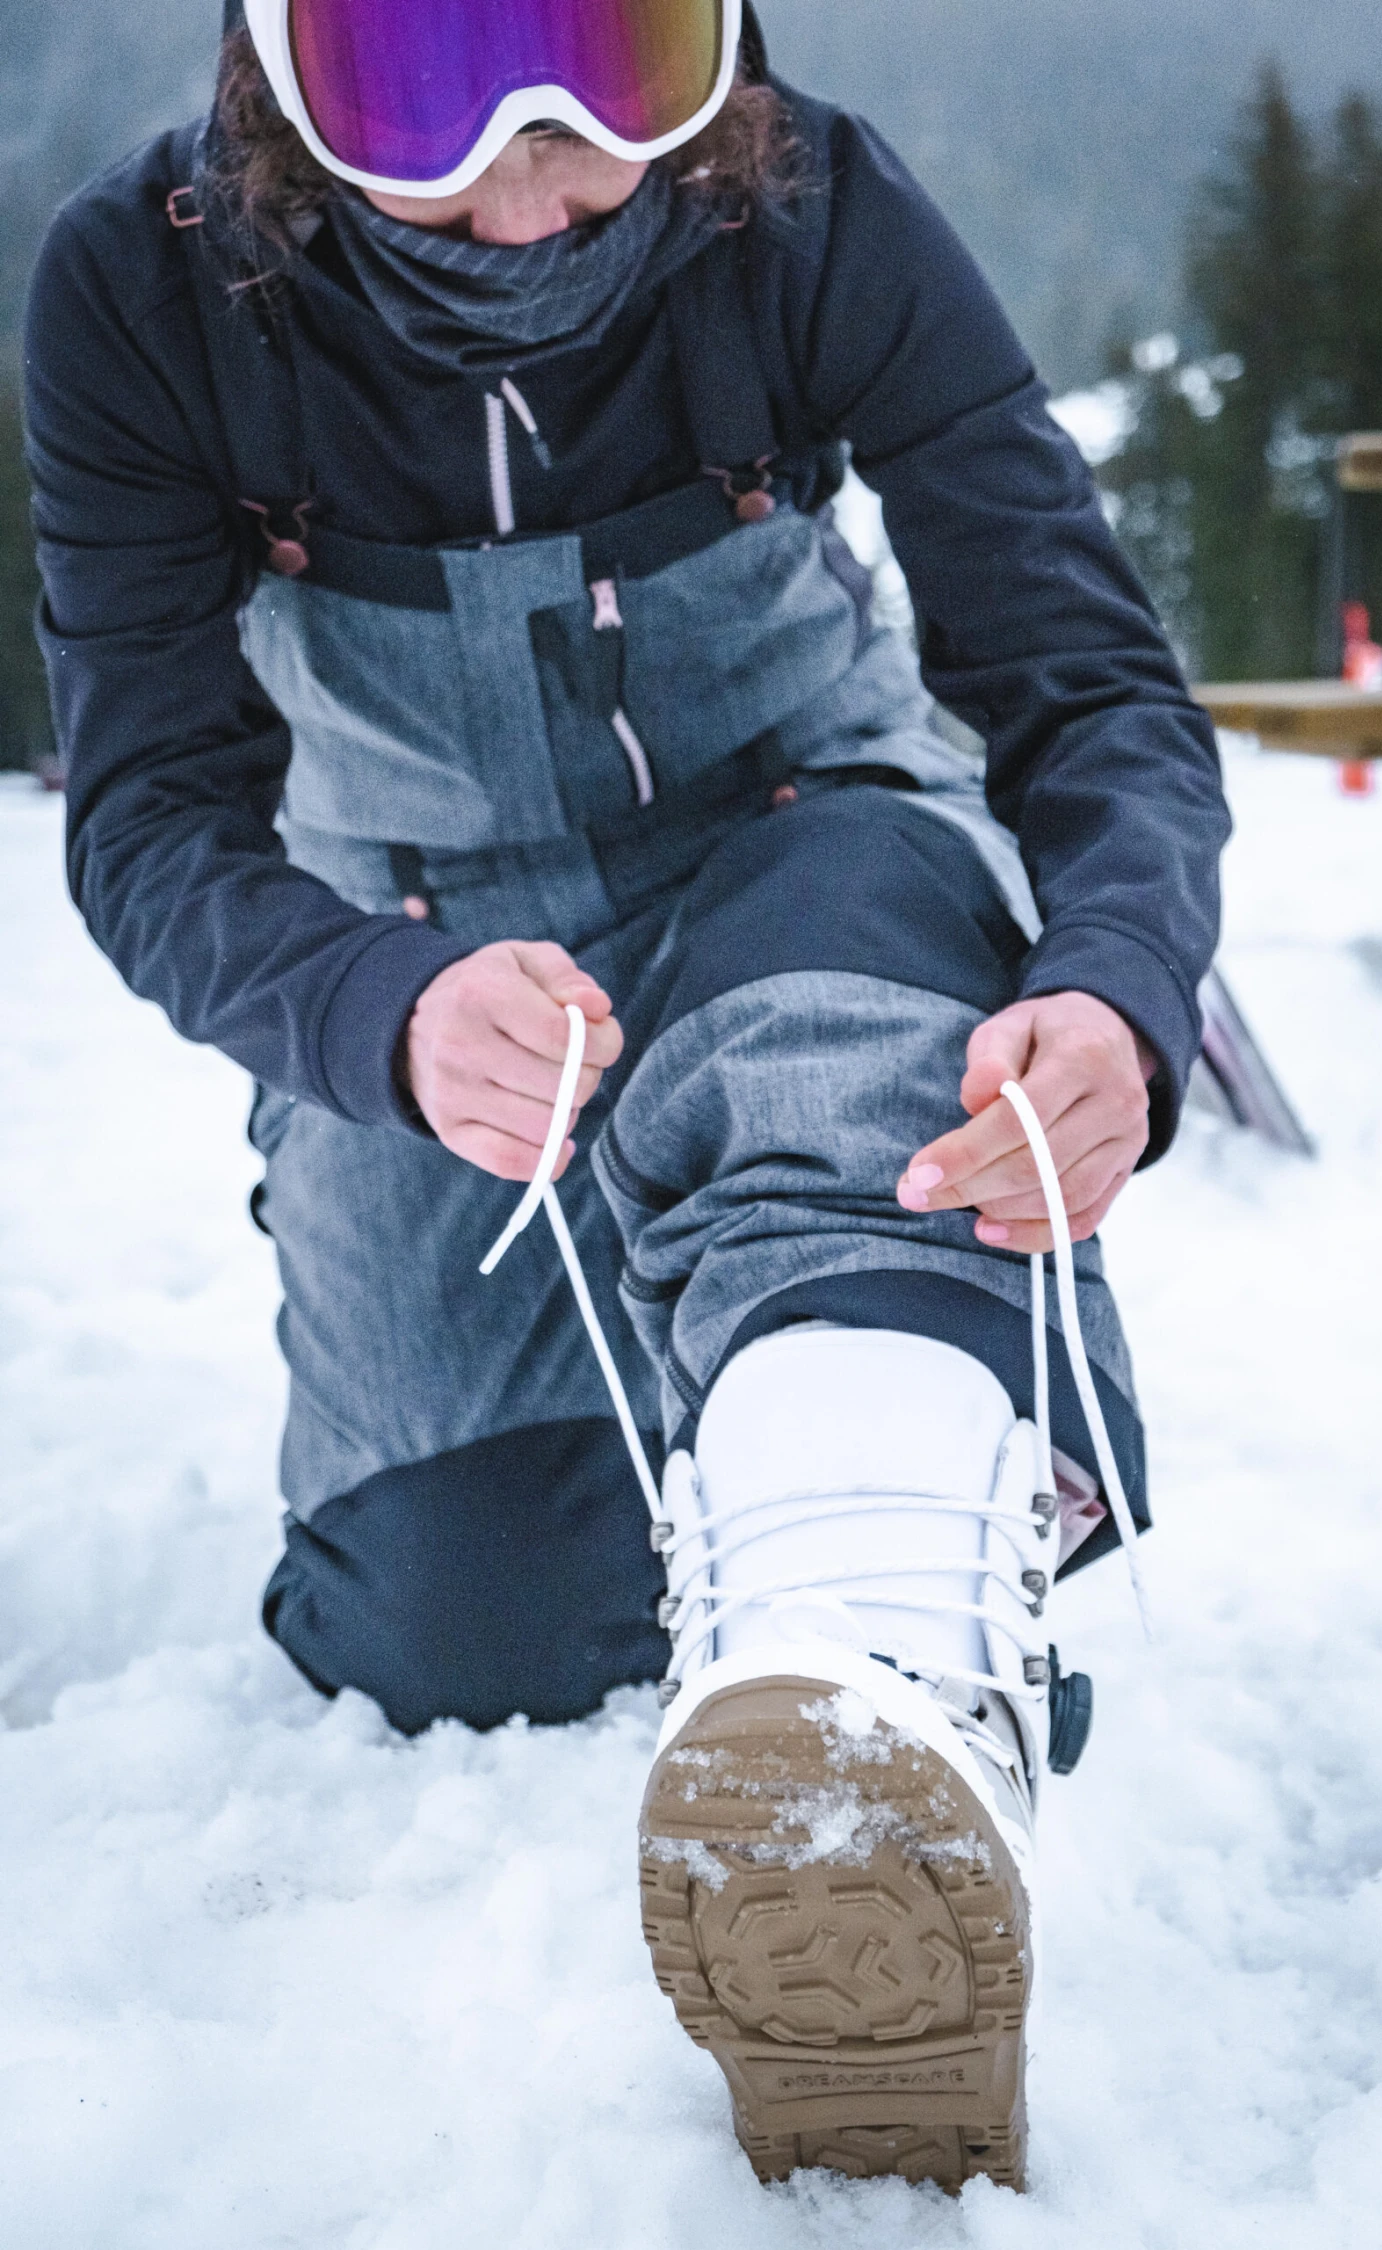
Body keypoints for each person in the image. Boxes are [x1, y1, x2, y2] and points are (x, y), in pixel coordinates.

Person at [25, 0, 1230, 2193]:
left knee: (842, 1076)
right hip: (431, 955)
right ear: (281, 90)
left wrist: (1121, 990)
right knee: (448, 1617)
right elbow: (150, 824)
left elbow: (1087, 679)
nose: (534, 178)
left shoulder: (812, 207)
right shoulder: (145, 289)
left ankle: (880, 1633)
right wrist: (365, 1011)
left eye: (619, 64)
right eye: (426, 98)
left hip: (806, 841)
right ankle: (815, 1468)